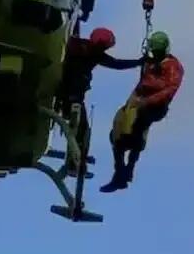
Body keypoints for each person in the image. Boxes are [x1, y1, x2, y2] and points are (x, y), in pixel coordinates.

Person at [99, 30, 184, 193]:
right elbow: (141, 84)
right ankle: (120, 172)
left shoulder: (172, 67)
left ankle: (129, 167)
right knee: (117, 132)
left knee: (137, 130)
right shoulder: (151, 63)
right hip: (139, 101)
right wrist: (131, 103)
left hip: (154, 106)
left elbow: (170, 89)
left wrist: (147, 101)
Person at [56, 27, 144, 174]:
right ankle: (76, 161)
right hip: (74, 97)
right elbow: (116, 63)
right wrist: (138, 62)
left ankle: (75, 159)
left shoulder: (75, 44)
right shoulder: (94, 54)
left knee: (77, 127)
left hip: (62, 93)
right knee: (83, 130)